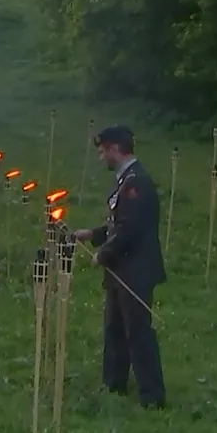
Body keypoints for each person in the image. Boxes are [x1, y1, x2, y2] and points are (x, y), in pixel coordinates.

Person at [71, 125, 167, 409]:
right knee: (114, 328)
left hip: (135, 271)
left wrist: (103, 253)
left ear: (115, 148)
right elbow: (117, 223)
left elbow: (131, 229)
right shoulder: (125, 179)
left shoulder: (137, 182)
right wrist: (93, 234)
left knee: (137, 332)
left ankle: (152, 396)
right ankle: (114, 384)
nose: (101, 157)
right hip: (120, 269)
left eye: (103, 152)